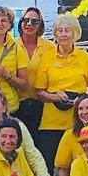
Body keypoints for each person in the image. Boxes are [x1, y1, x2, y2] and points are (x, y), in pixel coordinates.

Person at [35, 14, 88, 173]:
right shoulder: (47, 57)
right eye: (60, 31)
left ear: (75, 34)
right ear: (55, 34)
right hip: (51, 122)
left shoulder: (84, 58)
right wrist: (55, 97)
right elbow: (39, 91)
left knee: (77, 166)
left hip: (77, 121)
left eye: (67, 31)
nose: (63, 34)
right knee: (48, 165)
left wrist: (82, 101)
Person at [13, 7, 54, 138]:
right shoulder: (11, 46)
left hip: (42, 103)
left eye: (34, 22)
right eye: (26, 20)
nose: (29, 24)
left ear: (40, 25)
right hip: (17, 104)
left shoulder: (50, 47)